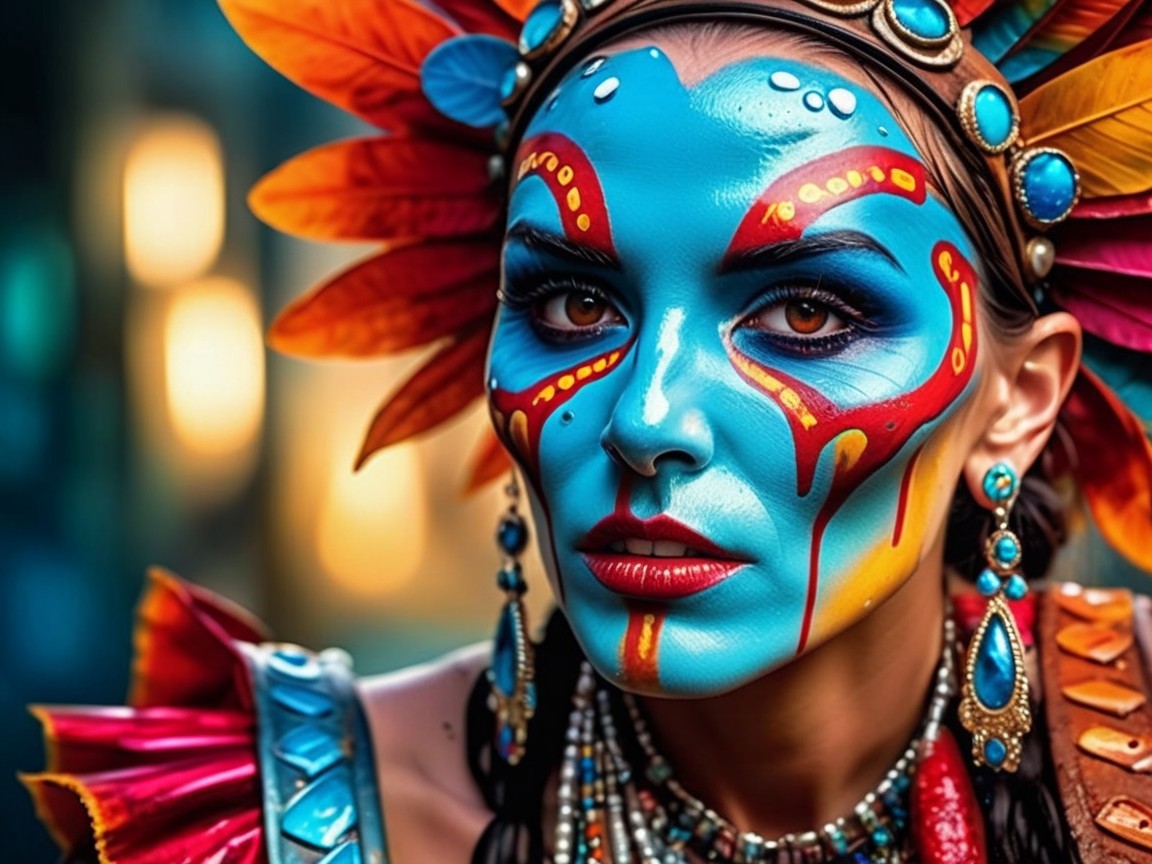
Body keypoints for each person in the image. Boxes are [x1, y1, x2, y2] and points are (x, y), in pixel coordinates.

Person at [21, 0, 1152, 861]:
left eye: (806, 312)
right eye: (574, 304)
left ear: (1021, 395)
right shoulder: (299, 815)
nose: (646, 417)